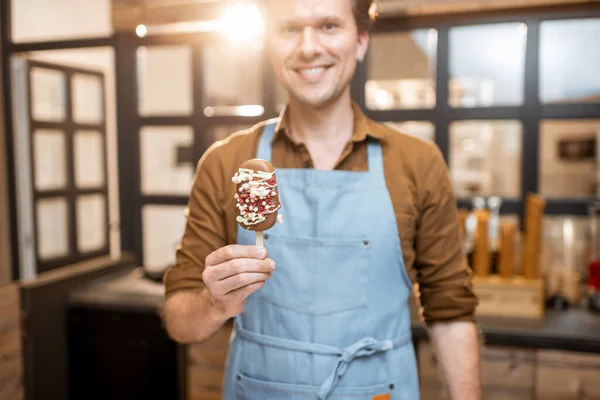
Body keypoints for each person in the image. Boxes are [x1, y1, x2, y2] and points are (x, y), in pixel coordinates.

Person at [162, 0, 482, 398]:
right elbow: (178, 321)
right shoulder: (226, 161)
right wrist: (213, 303)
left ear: (361, 39)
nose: (308, 47)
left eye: (329, 26)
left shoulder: (417, 163)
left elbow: (450, 312)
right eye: (289, 29)